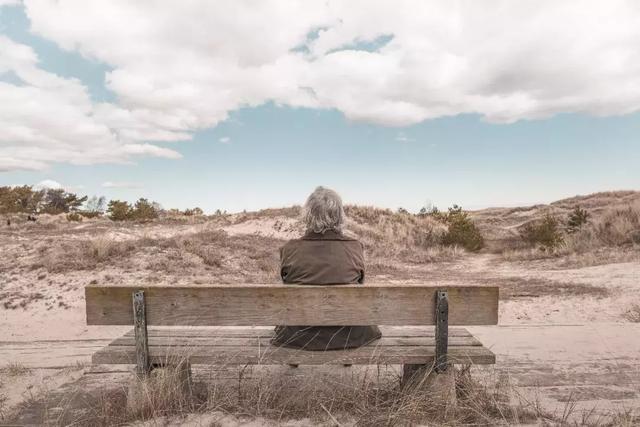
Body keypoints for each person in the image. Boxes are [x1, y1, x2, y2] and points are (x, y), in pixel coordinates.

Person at [271, 186, 382, 351]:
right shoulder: (355, 247)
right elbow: (360, 285)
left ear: (308, 215)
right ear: (339, 215)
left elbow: (286, 285)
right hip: (349, 334)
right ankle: (346, 358)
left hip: (299, 335)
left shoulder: (289, 249)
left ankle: (294, 360)